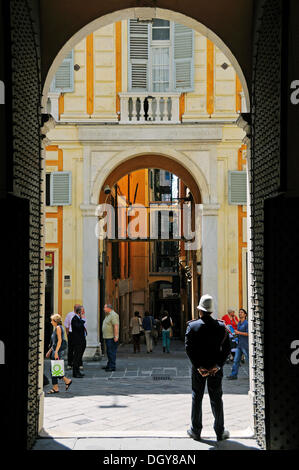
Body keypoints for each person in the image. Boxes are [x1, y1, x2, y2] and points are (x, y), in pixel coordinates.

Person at [185, 294, 231, 442]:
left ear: (200, 311)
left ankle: (195, 430)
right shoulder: (221, 326)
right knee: (216, 398)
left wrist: (198, 366)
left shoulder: (192, 326)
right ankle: (219, 431)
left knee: (196, 397)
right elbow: (227, 349)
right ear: (211, 311)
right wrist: (218, 365)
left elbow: (188, 348)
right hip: (215, 369)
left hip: (199, 369)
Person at [45, 314, 72, 393]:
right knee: (55, 369)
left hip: (57, 351)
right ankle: (66, 381)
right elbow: (54, 342)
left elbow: (59, 341)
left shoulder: (58, 328)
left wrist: (56, 352)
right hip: (55, 350)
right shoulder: (56, 328)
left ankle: (57, 387)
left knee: (54, 369)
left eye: (52, 321)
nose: (51, 322)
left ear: (55, 321)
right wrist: (49, 351)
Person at [227, 309, 249, 380]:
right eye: (239, 312)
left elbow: (248, 334)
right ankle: (234, 375)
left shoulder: (247, 323)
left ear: (245, 315)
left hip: (246, 345)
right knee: (236, 360)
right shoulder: (239, 323)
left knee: (249, 361)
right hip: (239, 345)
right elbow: (237, 328)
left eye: (242, 312)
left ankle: (254, 375)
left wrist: (238, 332)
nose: (240, 314)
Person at [102, 304, 119, 372]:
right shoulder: (108, 315)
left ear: (109, 308)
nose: (104, 309)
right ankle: (109, 364)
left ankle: (112, 366)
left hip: (111, 337)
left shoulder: (113, 315)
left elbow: (116, 326)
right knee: (109, 352)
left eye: (104, 307)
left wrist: (116, 336)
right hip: (107, 337)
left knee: (111, 352)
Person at [71, 305, 86, 378]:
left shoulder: (78, 318)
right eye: (82, 310)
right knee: (76, 357)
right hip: (77, 342)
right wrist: (83, 320)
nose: (83, 312)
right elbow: (78, 327)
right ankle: (75, 373)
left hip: (81, 341)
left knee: (79, 357)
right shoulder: (74, 319)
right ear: (79, 311)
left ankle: (78, 372)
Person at [64, 303, 80, 370]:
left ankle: (78, 363)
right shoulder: (70, 314)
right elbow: (66, 324)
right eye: (77, 307)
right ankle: (70, 363)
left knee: (78, 349)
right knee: (70, 349)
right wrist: (67, 333)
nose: (78, 308)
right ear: (74, 308)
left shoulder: (81, 315)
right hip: (71, 333)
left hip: (78, 334)